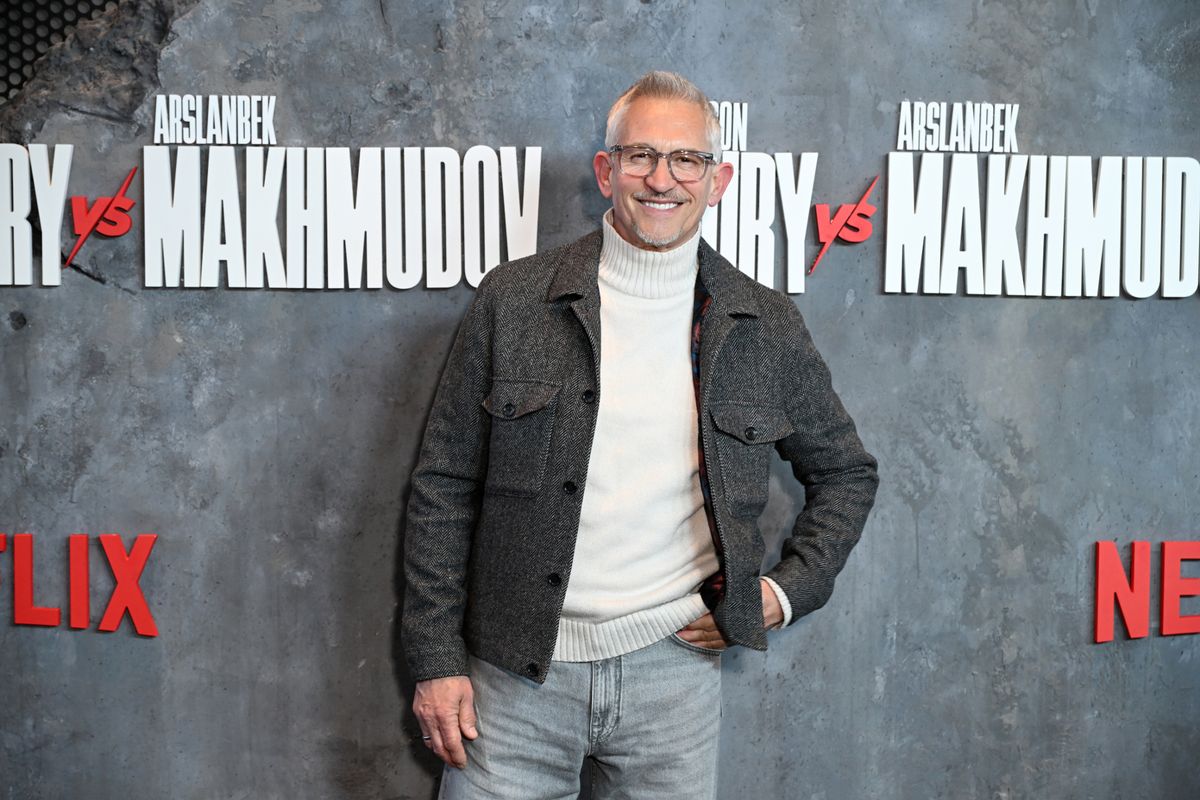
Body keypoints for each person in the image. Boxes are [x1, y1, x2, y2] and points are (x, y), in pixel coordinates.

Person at [402, 71, 879, 799]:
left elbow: (846, 473)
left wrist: (783, 593)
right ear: (607, 171)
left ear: (717, 181)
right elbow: (444, 485)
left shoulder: (764, 324)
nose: (662, 179)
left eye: (686, 159)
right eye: (641, 156)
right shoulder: (515, 300)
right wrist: (437, 657)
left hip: (673, 683)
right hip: (510, 682)